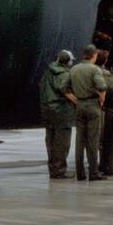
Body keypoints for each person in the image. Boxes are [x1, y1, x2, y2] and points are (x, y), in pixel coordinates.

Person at [68, 44, 107, 181]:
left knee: (80, 141)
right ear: (94, 55)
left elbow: (64, 88)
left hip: (79, 106)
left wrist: (76, 100)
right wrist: (101, 102)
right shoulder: (94, 69)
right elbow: (102, 87)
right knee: (93, 141)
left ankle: (80, 173)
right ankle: (93, 173)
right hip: (92, 106)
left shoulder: (74, 69)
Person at [38, 49, 76, 178]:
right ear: (68, 62)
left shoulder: (48, 71)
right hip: (62, 112)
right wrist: (78, 102)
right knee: (62, 143)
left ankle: (53, 169)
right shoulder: (65, 74)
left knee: (51, 141)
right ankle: (59, 170)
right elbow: (65, 91)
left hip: (47, 110)